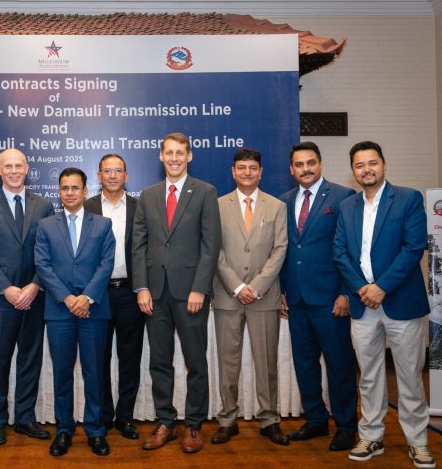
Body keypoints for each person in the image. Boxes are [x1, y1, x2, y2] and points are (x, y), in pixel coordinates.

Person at [333, 141, 435, 468]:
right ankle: (371, 437)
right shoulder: (346, 206)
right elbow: (340, 253)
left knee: (409, 377)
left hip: (401, 303)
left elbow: (413, 247)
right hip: (362, 305)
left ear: (384, 165)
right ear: (353, 171)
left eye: (372, 163)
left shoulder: (408, 199)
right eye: (360, 165)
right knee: (369, 376)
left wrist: (382, 288)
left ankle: (418, 442)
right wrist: (363, 289)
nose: (367, 169)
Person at [132, 132, 221, 454]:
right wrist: (142, 287)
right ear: (161, 156)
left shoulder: (205, 192)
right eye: (169, 153)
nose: (174, 158)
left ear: (189, 156)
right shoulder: (148, 194)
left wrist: (200, 288)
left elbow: (211, 245)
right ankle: (166, 421)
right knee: (160, 361)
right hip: (155, 294)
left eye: (180, 153)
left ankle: (194, 424)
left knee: (196, 362)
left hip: (191, 293)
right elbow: (138, 244)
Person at [279, 141, 358, 452]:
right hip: (297, 299)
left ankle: (346, 426)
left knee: (339, 364)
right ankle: (315, 419)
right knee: (305, 363)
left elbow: (350, 249)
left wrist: (346, 293)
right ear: (291, 169)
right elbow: (285, 249)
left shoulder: (342, 197)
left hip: (331, 299)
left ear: (321, 164)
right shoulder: (284, 201)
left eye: (310, 162)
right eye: (299, 164)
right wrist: (283, 290)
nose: (305, 169)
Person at [0, 148, 53, 445]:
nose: (14, 171)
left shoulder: (44, 205)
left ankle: (25, 418)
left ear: (27, 168)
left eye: (19, 166)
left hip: (35, 297)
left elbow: (50, 251)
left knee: (30, 361)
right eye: (9, 166)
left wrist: (34, 286)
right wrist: (7, 289)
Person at [35, 167, 115, 457]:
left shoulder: (102, 224)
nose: (69, 193)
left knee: (94, 373)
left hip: (94, 311)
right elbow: (42, 265)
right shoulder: (46, 226)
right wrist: (69, 298)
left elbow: (106, 263)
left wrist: (86, 298)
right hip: (59, 311)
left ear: (85, 191)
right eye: (65, 188)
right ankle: (64, 430)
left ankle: (96, 431)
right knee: (62, 373)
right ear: (59, 192)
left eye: (75, 188)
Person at [211, 148, 289, 446]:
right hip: (227, 296)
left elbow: (280, 249)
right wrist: (236, 286)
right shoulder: (217, 205)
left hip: (264, 297)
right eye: (241, 168)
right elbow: (214, 250)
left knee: (266, 362)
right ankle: (227, 420)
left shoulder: (276, 206)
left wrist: (256, 286)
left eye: (252, 168)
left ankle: (269, 419)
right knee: (227, 362)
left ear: (261, 172)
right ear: (233, 172)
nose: (247, 172)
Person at [84, 153, 144, 440]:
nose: (112, 175)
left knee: (130, 357)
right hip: (97, 294)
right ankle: (104, 415)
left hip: (130, 292)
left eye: (117, 170)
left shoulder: (139, 207)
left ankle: (126, 416)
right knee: (99, 358)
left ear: (126, 176)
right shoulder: (86, 207)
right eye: (106, 171)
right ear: (98, 176)